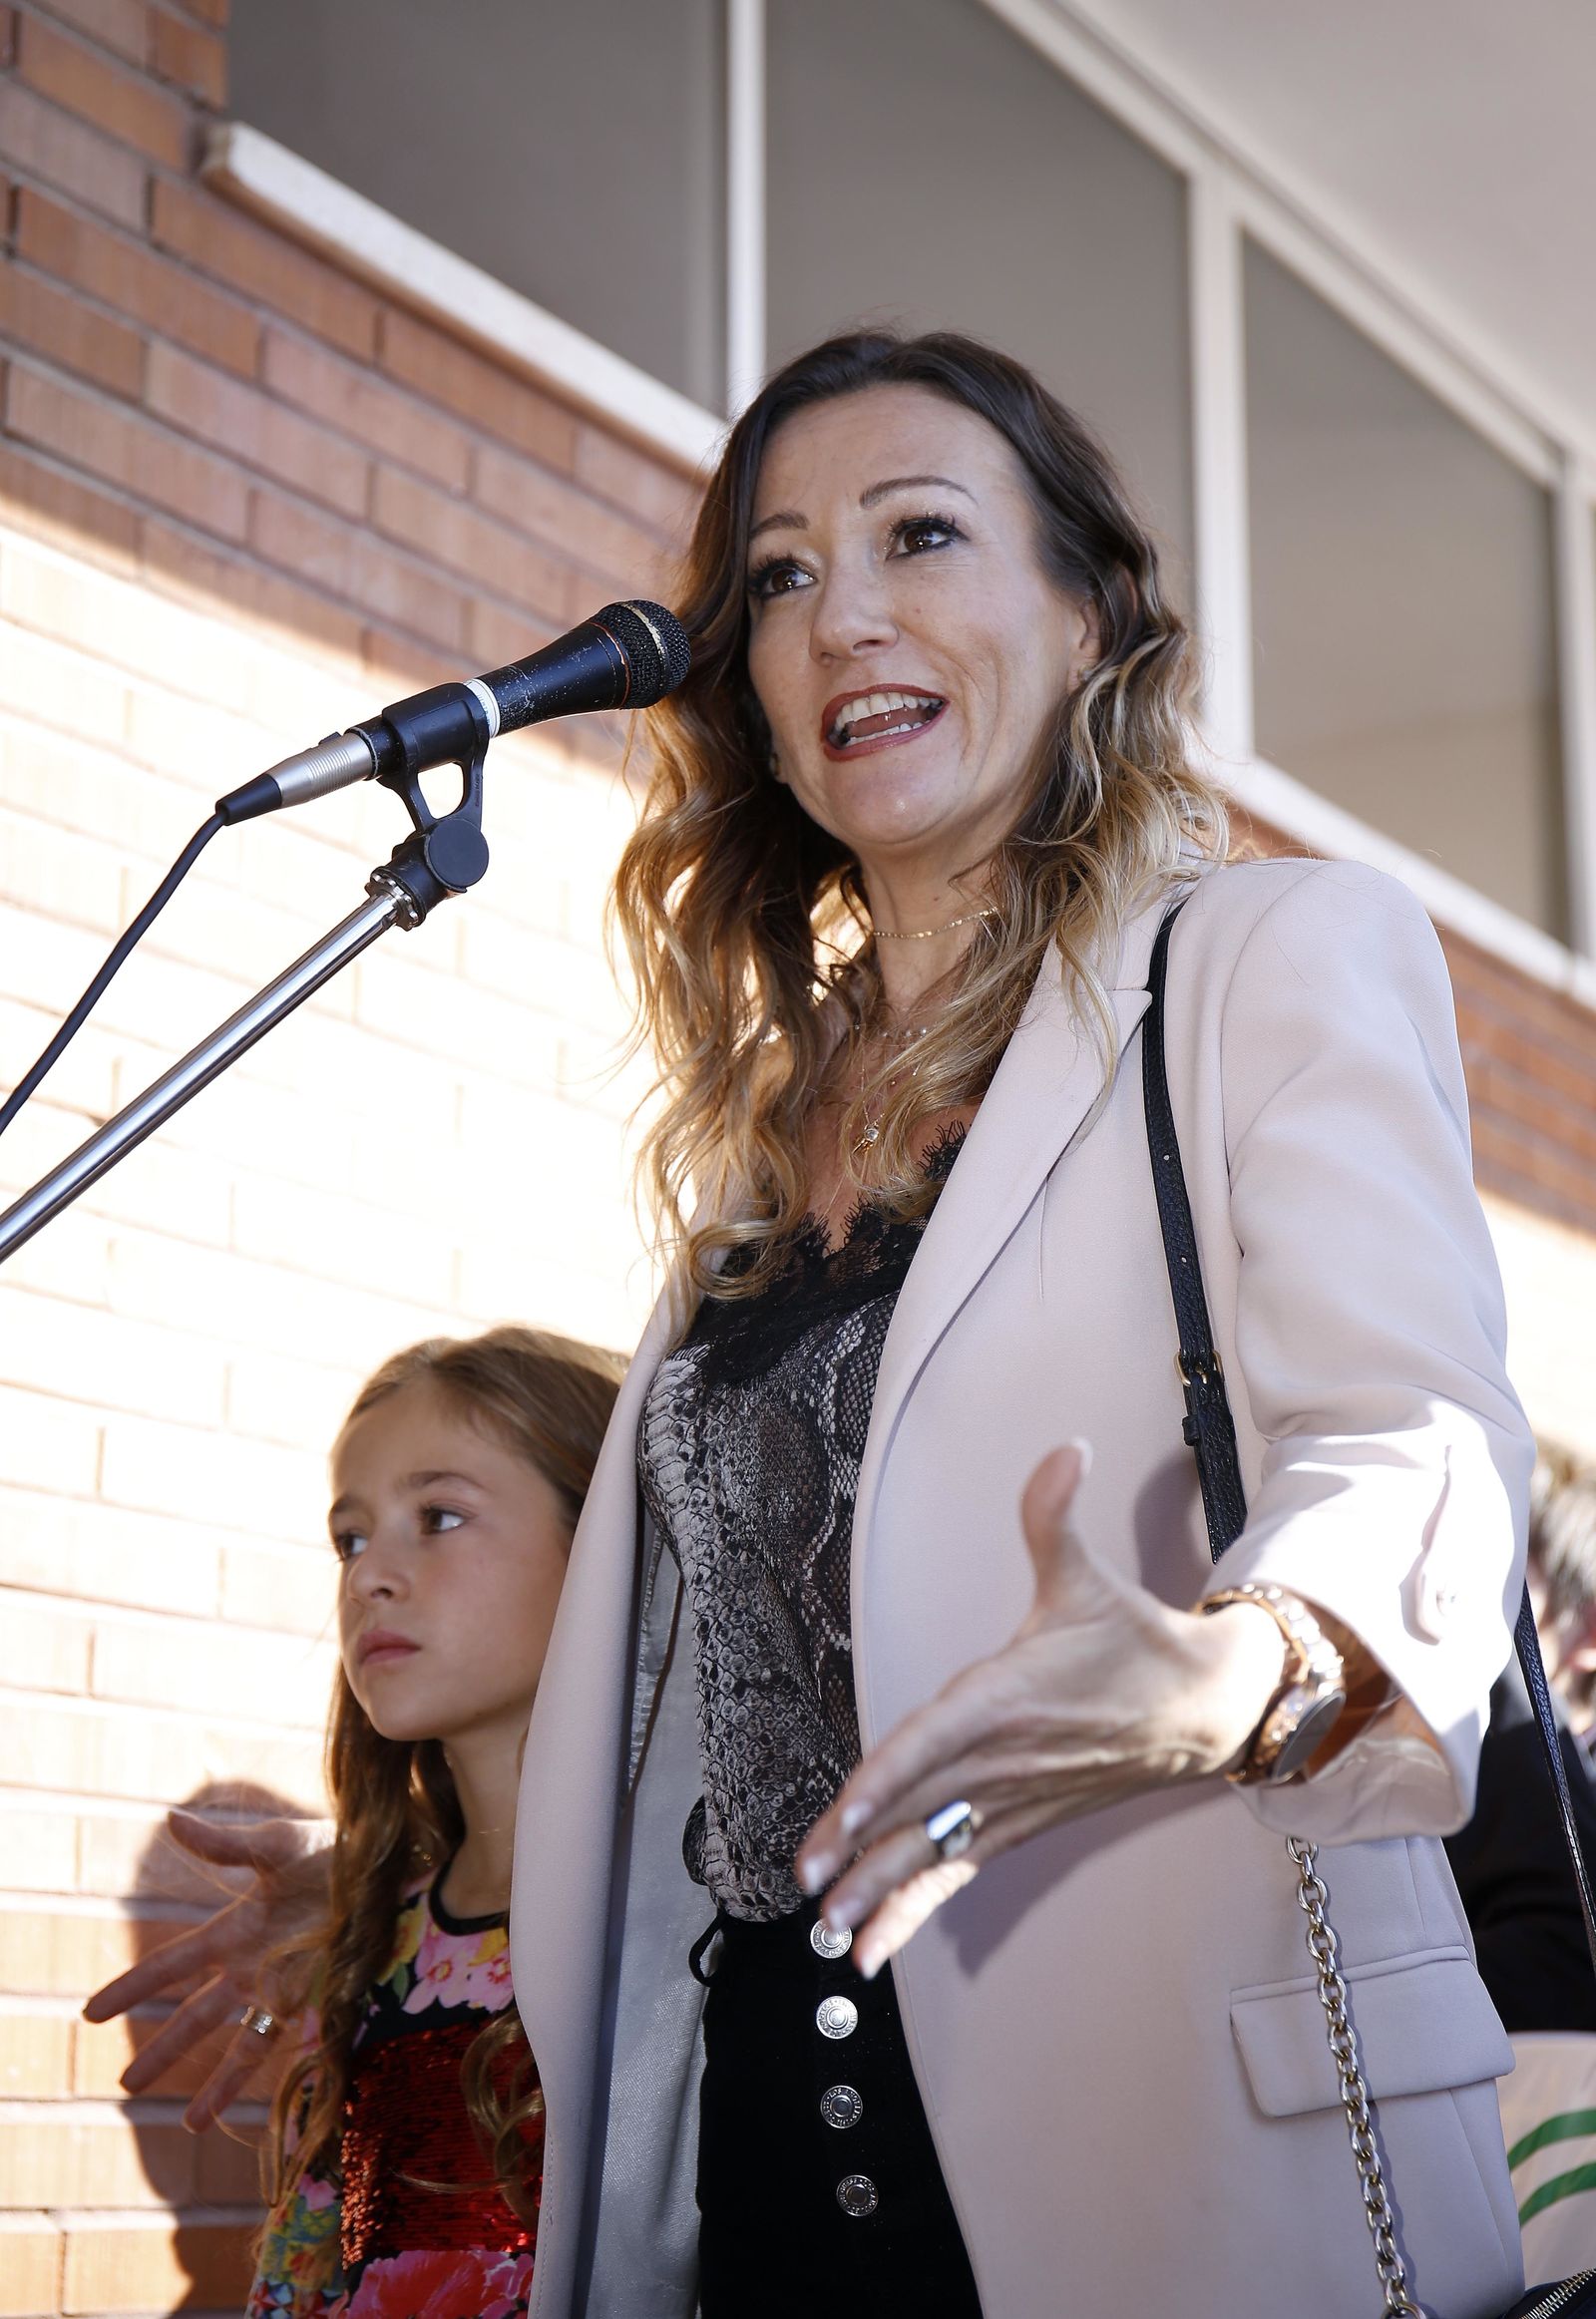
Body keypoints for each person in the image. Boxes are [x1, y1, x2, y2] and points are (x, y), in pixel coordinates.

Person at [91, 332, 1533, 2318]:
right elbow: (700, 1691)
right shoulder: (760, 1140)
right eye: (774, 576)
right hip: (762, 2157)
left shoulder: (1262, 960)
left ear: (1085, 609)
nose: (839, 611)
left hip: (1172, 2157)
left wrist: (1239, 1665)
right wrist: (404, 1915)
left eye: (917, 535)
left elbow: (1416, 1439)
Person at [96, 1327, 622, 2319]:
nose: (368, 1573)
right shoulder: (386, 1935)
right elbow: (317, 2258)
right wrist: (316, 1971)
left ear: (602, 1542)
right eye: (349, 1536)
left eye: (439, 1515)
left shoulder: (687, 1908)